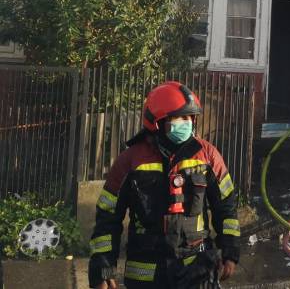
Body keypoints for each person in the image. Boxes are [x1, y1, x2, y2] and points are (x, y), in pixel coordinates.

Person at [88, 82, 239, 289]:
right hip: (147, 272)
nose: (187, 123)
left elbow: (227, 206)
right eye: (180, 117)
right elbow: (108, 215)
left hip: (197, 269)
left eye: (190, 118)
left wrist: (230, 251)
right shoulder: (130, 160)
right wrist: (103, 267)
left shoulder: (207, 155)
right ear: (157, 122)